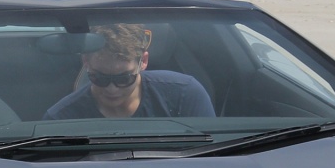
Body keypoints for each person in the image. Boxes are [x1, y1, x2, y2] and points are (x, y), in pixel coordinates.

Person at [42, 24, 215, 120]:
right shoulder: (62, 119)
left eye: (124, 78)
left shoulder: (184, 95)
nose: (112, 89)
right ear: (85, 62)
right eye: (100, 78)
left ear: (144, 62)